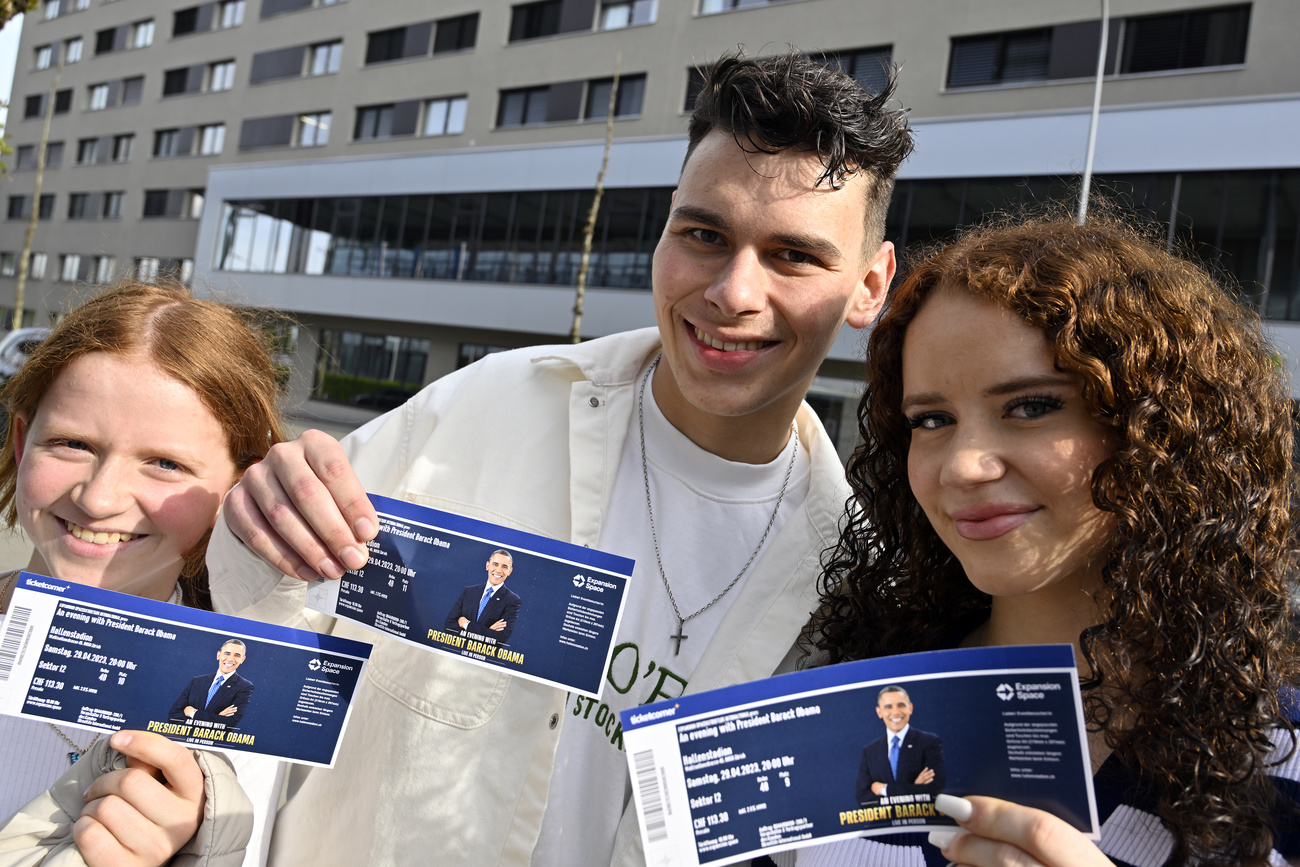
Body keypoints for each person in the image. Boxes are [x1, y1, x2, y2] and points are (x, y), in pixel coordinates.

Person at [205, 50, 914, 866]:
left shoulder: (856, 583)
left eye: (794, 255)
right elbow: (264, 629)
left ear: (869, 285)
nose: (733, 293)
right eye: (704, 235)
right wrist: (261, 516)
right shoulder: (485, 407)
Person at [800, 216, 1300, 867]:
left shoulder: (1282, 750)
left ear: (1159, 429)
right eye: (932, 419)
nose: (962, 466)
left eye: (1031, 406)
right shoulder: (838, 713)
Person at [0, 280, 287, 867]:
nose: (100, 498)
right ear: (22, 439)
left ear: (239, 485)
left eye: (164, 463)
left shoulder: (279, 703)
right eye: (73, 443)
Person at [855, 685, 944, 804]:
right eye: (888, 707)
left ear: (910, 708)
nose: (896, 712)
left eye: (901, 705)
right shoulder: (870, 751)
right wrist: (914, 787)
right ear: (879, 712)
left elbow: (934, 789)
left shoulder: (929, 742)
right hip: (885, 821)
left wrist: (884, 789)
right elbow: (863, 799)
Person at [169, 640, 256, 728]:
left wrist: (193, 713)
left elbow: (229, 723)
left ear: (242, 659)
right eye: (227, 653)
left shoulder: (244, 687)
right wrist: (217, 718)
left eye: (237, 655)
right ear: (218, 655)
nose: (230, 659)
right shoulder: (197, 681)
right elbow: (173, 716)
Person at [444, 550, 522, 642]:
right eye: (495, 564)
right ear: (487, 566)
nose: (498, 570)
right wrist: (488, 631)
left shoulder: (512, 600)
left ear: (510, 571)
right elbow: (449, 626)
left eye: (504, 567)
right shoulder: (469, 591)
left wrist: (467, 625)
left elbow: (500, 638)